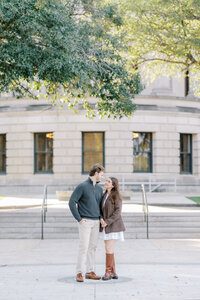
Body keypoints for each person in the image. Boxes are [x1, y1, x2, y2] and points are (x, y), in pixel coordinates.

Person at [69, 163, 104, 282]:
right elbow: (71, 202)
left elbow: (99, 206)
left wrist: (100, 218)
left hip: (96, 222)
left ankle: (90, 271)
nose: (103, 177)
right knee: (83, 247)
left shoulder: (99, 188)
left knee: (92, 247)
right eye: (102, 175)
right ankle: (79, 272)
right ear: (96, 173)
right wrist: (79, 219)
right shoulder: (82, 186)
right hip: (85, 221)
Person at [100, 177, 125, 281]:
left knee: (108, 249)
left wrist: (107, 222)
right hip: (105, 226)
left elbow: (117, 213)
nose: (106, 182)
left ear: (113, 185)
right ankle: (113, 272)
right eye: (106, 181)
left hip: (113, 226)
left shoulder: (116, 196)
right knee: (109, 248)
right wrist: (101, 219)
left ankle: (108, 272)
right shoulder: (104, 195)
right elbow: (100, 209)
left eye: (109, 181)